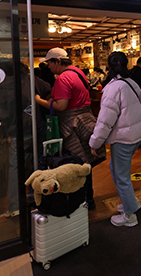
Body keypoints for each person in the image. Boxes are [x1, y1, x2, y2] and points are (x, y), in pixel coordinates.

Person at [35, 47, 103, 209]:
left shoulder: (63, 78)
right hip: (86, 120)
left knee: (75, 164)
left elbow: (61, 106)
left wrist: (39, 100)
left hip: (72, 125)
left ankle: (81, 201)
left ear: (58, 61)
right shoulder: (78, 73)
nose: (49, 67)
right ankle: (89, 198)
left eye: (50, 63)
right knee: (86, 163)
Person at [89, 52, 141, 227]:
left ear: (109, 67)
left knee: (121, 176)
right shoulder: (131, 82)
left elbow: (105, 120)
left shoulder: (113, 87)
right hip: (137, 133)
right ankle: (130, 202)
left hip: (124, 138)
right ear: (127, 65)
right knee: (116, 169)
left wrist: (95, 142)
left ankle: (130, 215)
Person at [0, 62, 52, 216]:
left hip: (17, 132)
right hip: (38, 128)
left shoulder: (1, 88)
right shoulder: (32, 80)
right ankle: (35, 199)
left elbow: (2, 115)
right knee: (38, 164)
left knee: (15, 168)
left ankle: (15, 206)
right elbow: (49, 91)